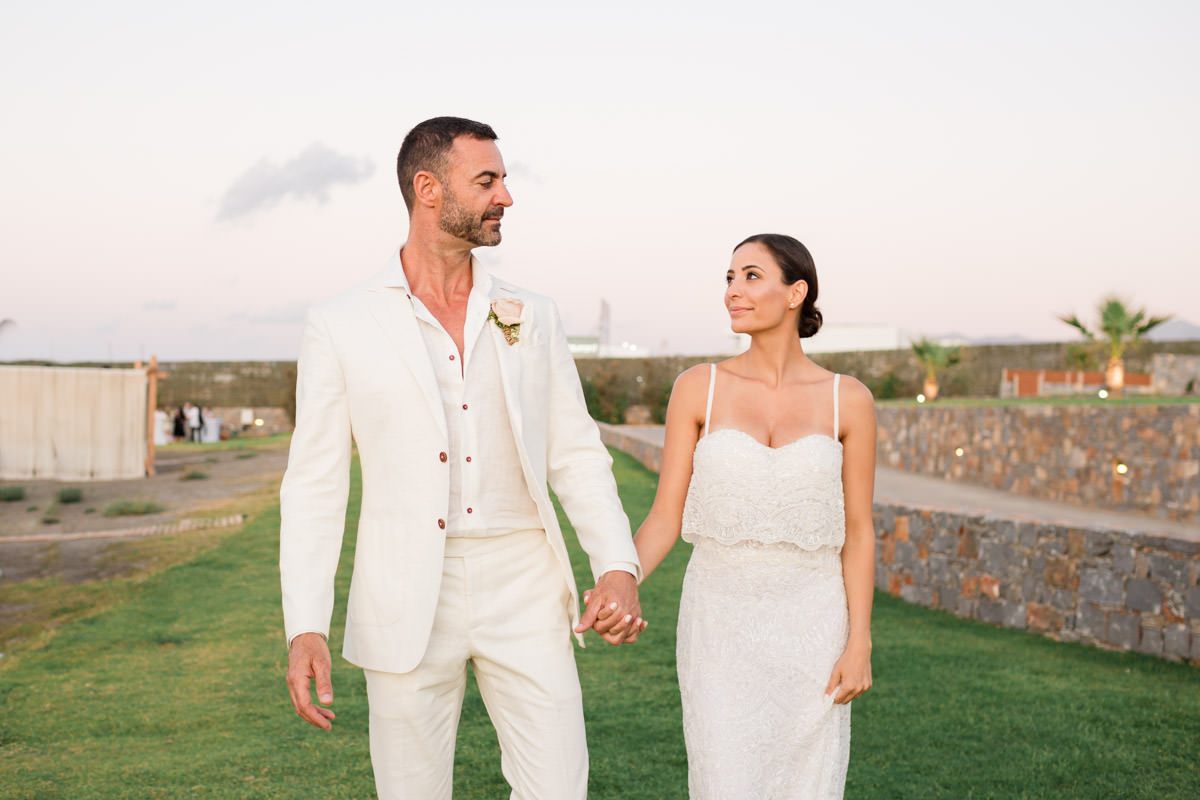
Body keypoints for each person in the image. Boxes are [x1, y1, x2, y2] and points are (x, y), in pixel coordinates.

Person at [279, 116, 645, 800]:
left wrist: (617, 566)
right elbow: (314, 485)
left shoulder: (529, 313)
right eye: (487, 180)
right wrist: (305, 624)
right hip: (405, 592)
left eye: (503, 179)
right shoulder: (340, 323)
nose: (506, 196)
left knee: (559, 789)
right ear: (427, 188)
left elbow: (575, 451)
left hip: (527, 582)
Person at [632, 233, 876, 799]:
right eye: (728, 278)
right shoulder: (698, 389)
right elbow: (665, 515)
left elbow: (859, 533)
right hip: (719, 622)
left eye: (750, 276)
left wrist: (859, 640)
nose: (732, 292)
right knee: (725, 779)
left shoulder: (850, 399)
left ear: (796, 293)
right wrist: (621, 580)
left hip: (814, 626)